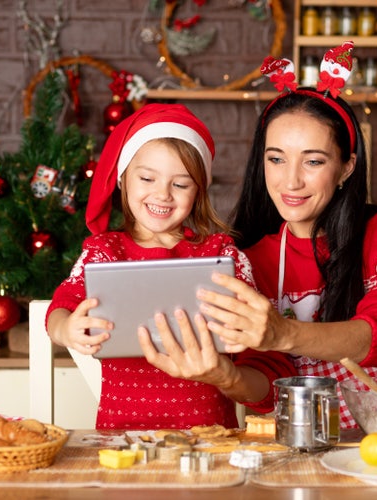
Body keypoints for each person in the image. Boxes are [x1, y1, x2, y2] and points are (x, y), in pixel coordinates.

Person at [196, 45, 377, 429]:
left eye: (313, 161)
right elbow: (266, 389)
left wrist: (283, 332)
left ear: (346, 167)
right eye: (276, 159)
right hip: (298, 446)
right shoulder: (244, 259)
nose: (291, 181)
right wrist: (225, 377)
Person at [46, 103, 296, 430]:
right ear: (123, 179)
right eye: (147, 178)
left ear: (198, 191)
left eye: (180, 184)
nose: (162, 194)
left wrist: (240, 331)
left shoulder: (222, 254)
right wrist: (66, 329)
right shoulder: (105, 251)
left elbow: (258, 333)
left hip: (209, 436)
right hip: (123, 437)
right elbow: (60, 306)